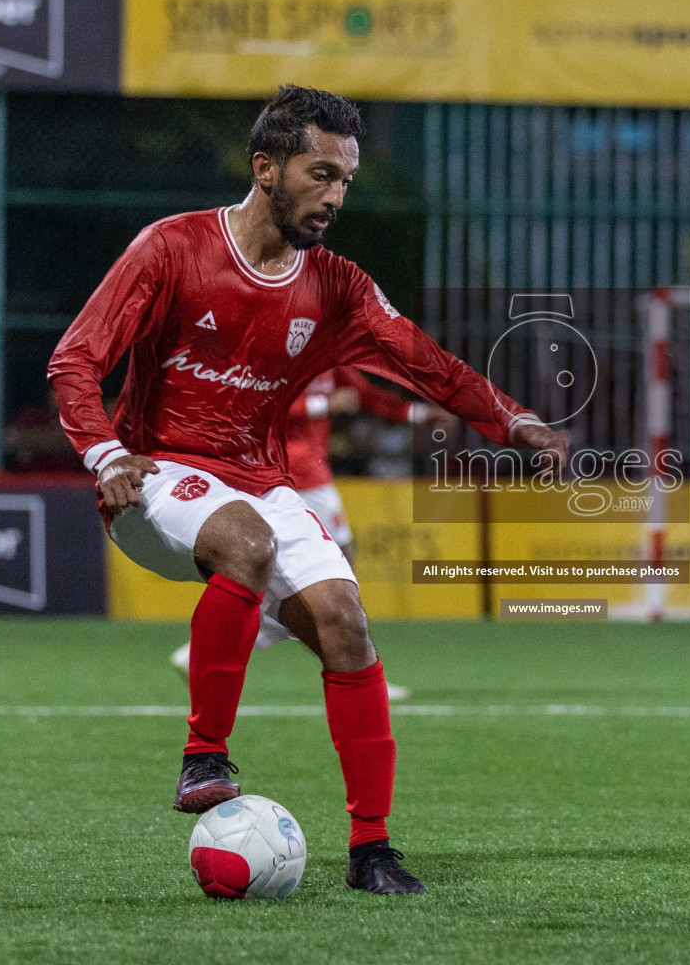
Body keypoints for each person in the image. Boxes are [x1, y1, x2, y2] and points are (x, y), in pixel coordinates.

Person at [48, 86, 569, 895]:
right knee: (247, 544)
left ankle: (372, 850)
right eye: (320, 173)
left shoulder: (337, 287)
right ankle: (203, 758)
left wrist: (511, 419)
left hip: (259, 478)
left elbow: (426, 363)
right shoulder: (172, 249)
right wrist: (105, 454)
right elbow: (75, 359)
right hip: (154, 474)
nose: (334, 195)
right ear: (266, 167)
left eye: (346, 181)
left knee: (344, 621)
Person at [169, 365, 452, 701]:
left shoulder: (331, 359)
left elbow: (368, 397)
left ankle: (203, 652)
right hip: (282, 477)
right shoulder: (281, 352)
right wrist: (323, 406)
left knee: (315, 581)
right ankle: (361, 670)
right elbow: (254, 405)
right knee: (335, 574)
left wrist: (420, 413)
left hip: (311, 476)